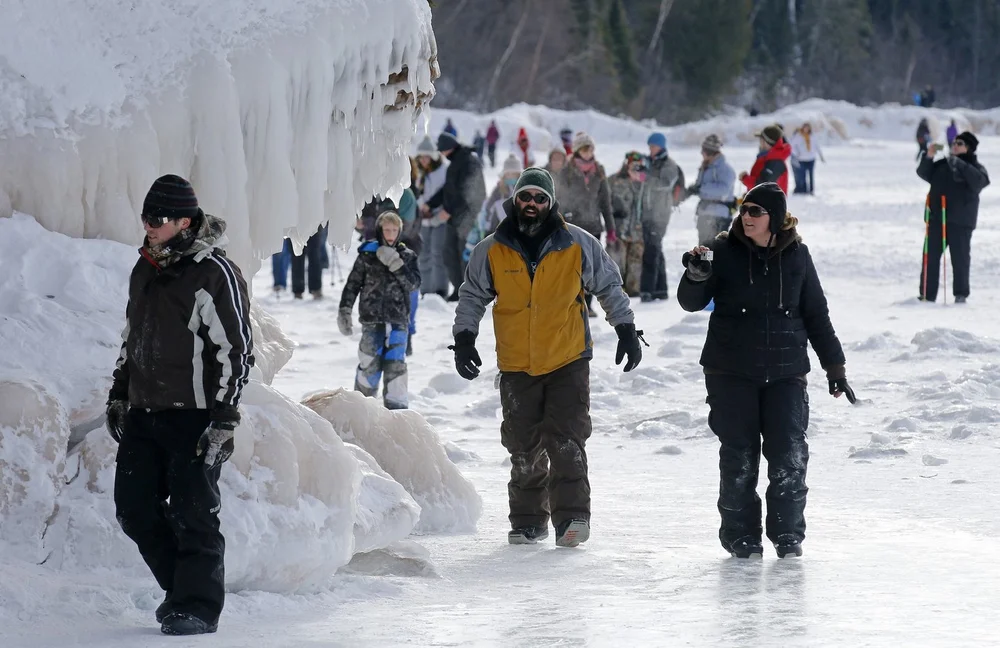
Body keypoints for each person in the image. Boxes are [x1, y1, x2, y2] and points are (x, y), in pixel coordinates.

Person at [451, 167, 644, 548]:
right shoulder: (491, 248)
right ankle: (528, 521)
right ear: (515, 200)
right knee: (522, 447)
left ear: (551, 203)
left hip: (567, 357)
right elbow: (472, 295)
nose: (532, 204)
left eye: (540, 198)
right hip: (516, 363)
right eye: (526, 197)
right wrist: (464, 337)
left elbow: (608, 284)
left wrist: (625, 329)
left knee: (567, 439)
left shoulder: (577, 243)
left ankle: (572, 519)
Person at [107, 174, 253, 636]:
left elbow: (236, 349)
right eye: (146, 217)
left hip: (194, 414)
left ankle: (197, 607)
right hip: (144, 410)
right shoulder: (146, 266)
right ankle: (182, 591)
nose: (148, 225)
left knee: (194, 513)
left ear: (185, 222)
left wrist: (224, 418)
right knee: (133, 509)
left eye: (158, 218)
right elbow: (133, 336)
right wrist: (118, 392)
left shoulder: (213, 273)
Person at [676, 181, 855, 560]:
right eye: (744, 209)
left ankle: (788, 534)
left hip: (787, 371)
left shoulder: (798, 256)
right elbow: (691, 303)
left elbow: (816, 314)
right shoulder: (722, 251)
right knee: (739, 456)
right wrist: (695, 275)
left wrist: (834, 366)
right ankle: (741, 535)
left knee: (789, 454)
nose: (747, 216)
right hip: (731, 371)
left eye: (756, 211)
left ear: (775, 216)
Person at [339, 211, 420, 409]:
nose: (390, 234)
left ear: (400, 231)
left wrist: (396, 264)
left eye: (394, 230)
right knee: (369, 363)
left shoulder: (407, 256)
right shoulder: (367, 254)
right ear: (379, 230)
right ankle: (362, 409)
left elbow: (413, 284)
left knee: (396, 366)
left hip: (398, 320)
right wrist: (345, 309)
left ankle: (397, 411)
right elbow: (353, 284)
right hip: (371, 319)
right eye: (387, 230)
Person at [917, 132, 990, 303]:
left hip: (961, 221)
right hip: (937, 219)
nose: (955, 146)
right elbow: (923, 173)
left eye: (960, 143)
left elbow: (980, 182)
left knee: (960, 259)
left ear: (968, 148)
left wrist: (960, 164)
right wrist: (928, 156)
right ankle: (927, 294)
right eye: (954, 143)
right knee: (930, 257)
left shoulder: (974, 167)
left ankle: (960, 294)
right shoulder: (943, 164)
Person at [557, 132, 617, 316]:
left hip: (593, 226)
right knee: (571, 268)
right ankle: (571, 302)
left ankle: (587, 305)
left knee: (591, 267)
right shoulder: (567, 171)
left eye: (590, 148)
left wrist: (611, 228)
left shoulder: (599, 170)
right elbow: (559, 197)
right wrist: (560, 220)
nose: (588, 151)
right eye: (584, 148)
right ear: (577, 151)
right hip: (572, 225)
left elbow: (605, 202)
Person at [425, 132, 487, 301]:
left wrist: (450, 210)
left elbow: (471, 193)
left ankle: (470, 292)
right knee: (448, 253)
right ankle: (458, 289)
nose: (441, 155)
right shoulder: (455, 163)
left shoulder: (469, 162)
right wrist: (430, 204)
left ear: (449, 148)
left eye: (442, 151)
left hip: (468, 218)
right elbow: (448, 190)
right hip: (454, 219)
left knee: (464, 254)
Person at [640, 132, 683, 302]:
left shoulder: (669, 164)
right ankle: (661, 288)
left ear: (662, 146)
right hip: (647, 212)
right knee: (655, 248)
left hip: (660, 213)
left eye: (654, 146)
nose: (651, 150)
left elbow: (665, 183)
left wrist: (645, 177)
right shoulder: (650, 162)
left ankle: (647, 289)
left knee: (651, 249)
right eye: (650, 147)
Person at [464, 154, 522, 261]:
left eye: (513, 174)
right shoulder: (499, 191)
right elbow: (487, 210)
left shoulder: (523, 191)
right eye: (508, 174)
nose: (511, 177)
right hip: (497, 232)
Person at [414, 136, 450, 299]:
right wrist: (421, 205)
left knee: (438, 253)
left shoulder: (443, 170)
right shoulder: (420, 172)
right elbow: (419, 192)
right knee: (424, 254)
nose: (424, 160)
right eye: (421, 157)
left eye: (427, 156)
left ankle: (441, 288)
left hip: (440, 217)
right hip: (424, 218)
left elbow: (445, 193)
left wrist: (432, 206)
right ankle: (426, 288)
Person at [607, 151, 647, 296]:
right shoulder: (615, 180)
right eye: (633, 164)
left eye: (639, 165)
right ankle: (615, 289)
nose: (636, 168)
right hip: (619, 228)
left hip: (638, 230)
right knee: (617, 261)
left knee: (636, 261)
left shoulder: (644, 184)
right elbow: (605, 200)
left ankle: (633, 290)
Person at [739, 124, 791, 195]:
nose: (760, 143)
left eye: (761, 140)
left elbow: (762, 187)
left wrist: (746, 179)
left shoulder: (776, 162)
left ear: (766, 142)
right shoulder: (766, 157)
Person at [291, 224, 328, 299]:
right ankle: (298, 291)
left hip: (314, 223)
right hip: (295, 224)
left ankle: (316, 288)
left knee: (314, 256)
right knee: (297, 256)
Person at [789, 123, 824, 194]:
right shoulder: (798, 136)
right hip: (802, 159)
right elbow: (792, 146)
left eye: (807, 128)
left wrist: (821, 156)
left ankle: (811, 190)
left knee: (811, 175)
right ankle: (804, 189)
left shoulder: (812, 136)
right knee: (803, 175)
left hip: (811, 158)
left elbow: (817, 146)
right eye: (805, 128)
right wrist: (796, 153)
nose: (806, 129)